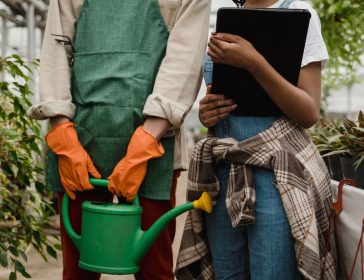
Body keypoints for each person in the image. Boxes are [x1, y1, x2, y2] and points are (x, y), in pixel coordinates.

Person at [27, 0, 211, 279]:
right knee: (79, 270)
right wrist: (63, 135)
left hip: (155, 145)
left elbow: (186, 56)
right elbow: (56, 47)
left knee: (154, 269)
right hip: (79, 140)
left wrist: (147, 141)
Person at [176, 0, 337, 279]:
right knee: (226, 274)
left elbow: (309, 112)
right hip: (224, 174)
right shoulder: (226, 18)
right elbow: (223, 102)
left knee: (271, 272)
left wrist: (254, 63)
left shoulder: (298, 13)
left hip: (275, 175)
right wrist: (207, 113)